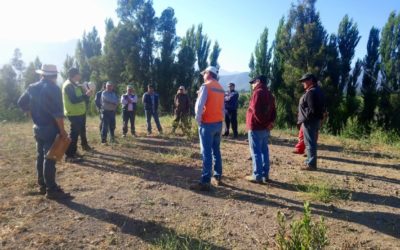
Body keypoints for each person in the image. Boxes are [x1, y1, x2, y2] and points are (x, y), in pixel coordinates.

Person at [17, 64, 72, 199]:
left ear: (42, 74)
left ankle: (42, 185)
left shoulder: (32, 87)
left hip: (37, 126)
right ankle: (51, 189)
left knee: (40, 156)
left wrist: (29, 112)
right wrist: (63, 131)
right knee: (50, 158)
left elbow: (21, 102)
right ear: (54, 75)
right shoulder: (54, 89)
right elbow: (57, 115)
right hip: (50, 127)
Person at [191, 66, 225, 191]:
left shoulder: (206, 86)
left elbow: (199, 106)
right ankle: (217, 176)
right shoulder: (220, 88)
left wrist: (198, 121)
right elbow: (222, 108)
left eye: (204, 73)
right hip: (218, 123)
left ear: (209, 74)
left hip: (207, 124)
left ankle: (205, 181)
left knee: (206, 152)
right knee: (216, 150)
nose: (203, 75)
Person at [245, 75, 276, 183]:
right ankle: (265, 175)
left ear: (258, 81)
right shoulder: (269, 93)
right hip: (265, 128)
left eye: (253, 82)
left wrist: (265, 123)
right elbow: (273, 111)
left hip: (256, 127)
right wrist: (270, 123)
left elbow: (256, 112)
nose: (252, 85)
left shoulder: (257, 93)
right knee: (264, 151)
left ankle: (257, 176)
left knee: (256, 152)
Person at [62, 68, 92, 163]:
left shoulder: (75, 84)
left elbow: (81, 97)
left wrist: (85, 92)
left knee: (80, 130)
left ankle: (74, 151)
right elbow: (74, 100)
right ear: (75, 75)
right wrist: (86, 95)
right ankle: (69, 155)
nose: (80, 75)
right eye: (79, 74)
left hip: (80, 112)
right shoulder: (68, 85)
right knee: (74, 134)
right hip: (74, 113)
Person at [297, 73, 326, 171]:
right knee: (311, 142)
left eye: (304, 81)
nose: (303, 83)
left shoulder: (311, 92)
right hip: (315, 120)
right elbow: (320, 108)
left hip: (310, 121)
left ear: (310, 80)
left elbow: (312, 109)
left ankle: (311, 164)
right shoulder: (319, 91)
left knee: (310, 143)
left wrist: (305, 118)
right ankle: (309, 161)